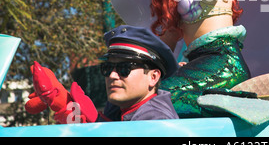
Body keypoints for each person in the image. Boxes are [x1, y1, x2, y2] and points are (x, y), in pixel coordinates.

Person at [25, 25, 179, 123]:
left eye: (124, 68)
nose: (112, 75)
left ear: (153, 77)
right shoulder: (119, 109)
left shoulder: (155, 119)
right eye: (107, 68)